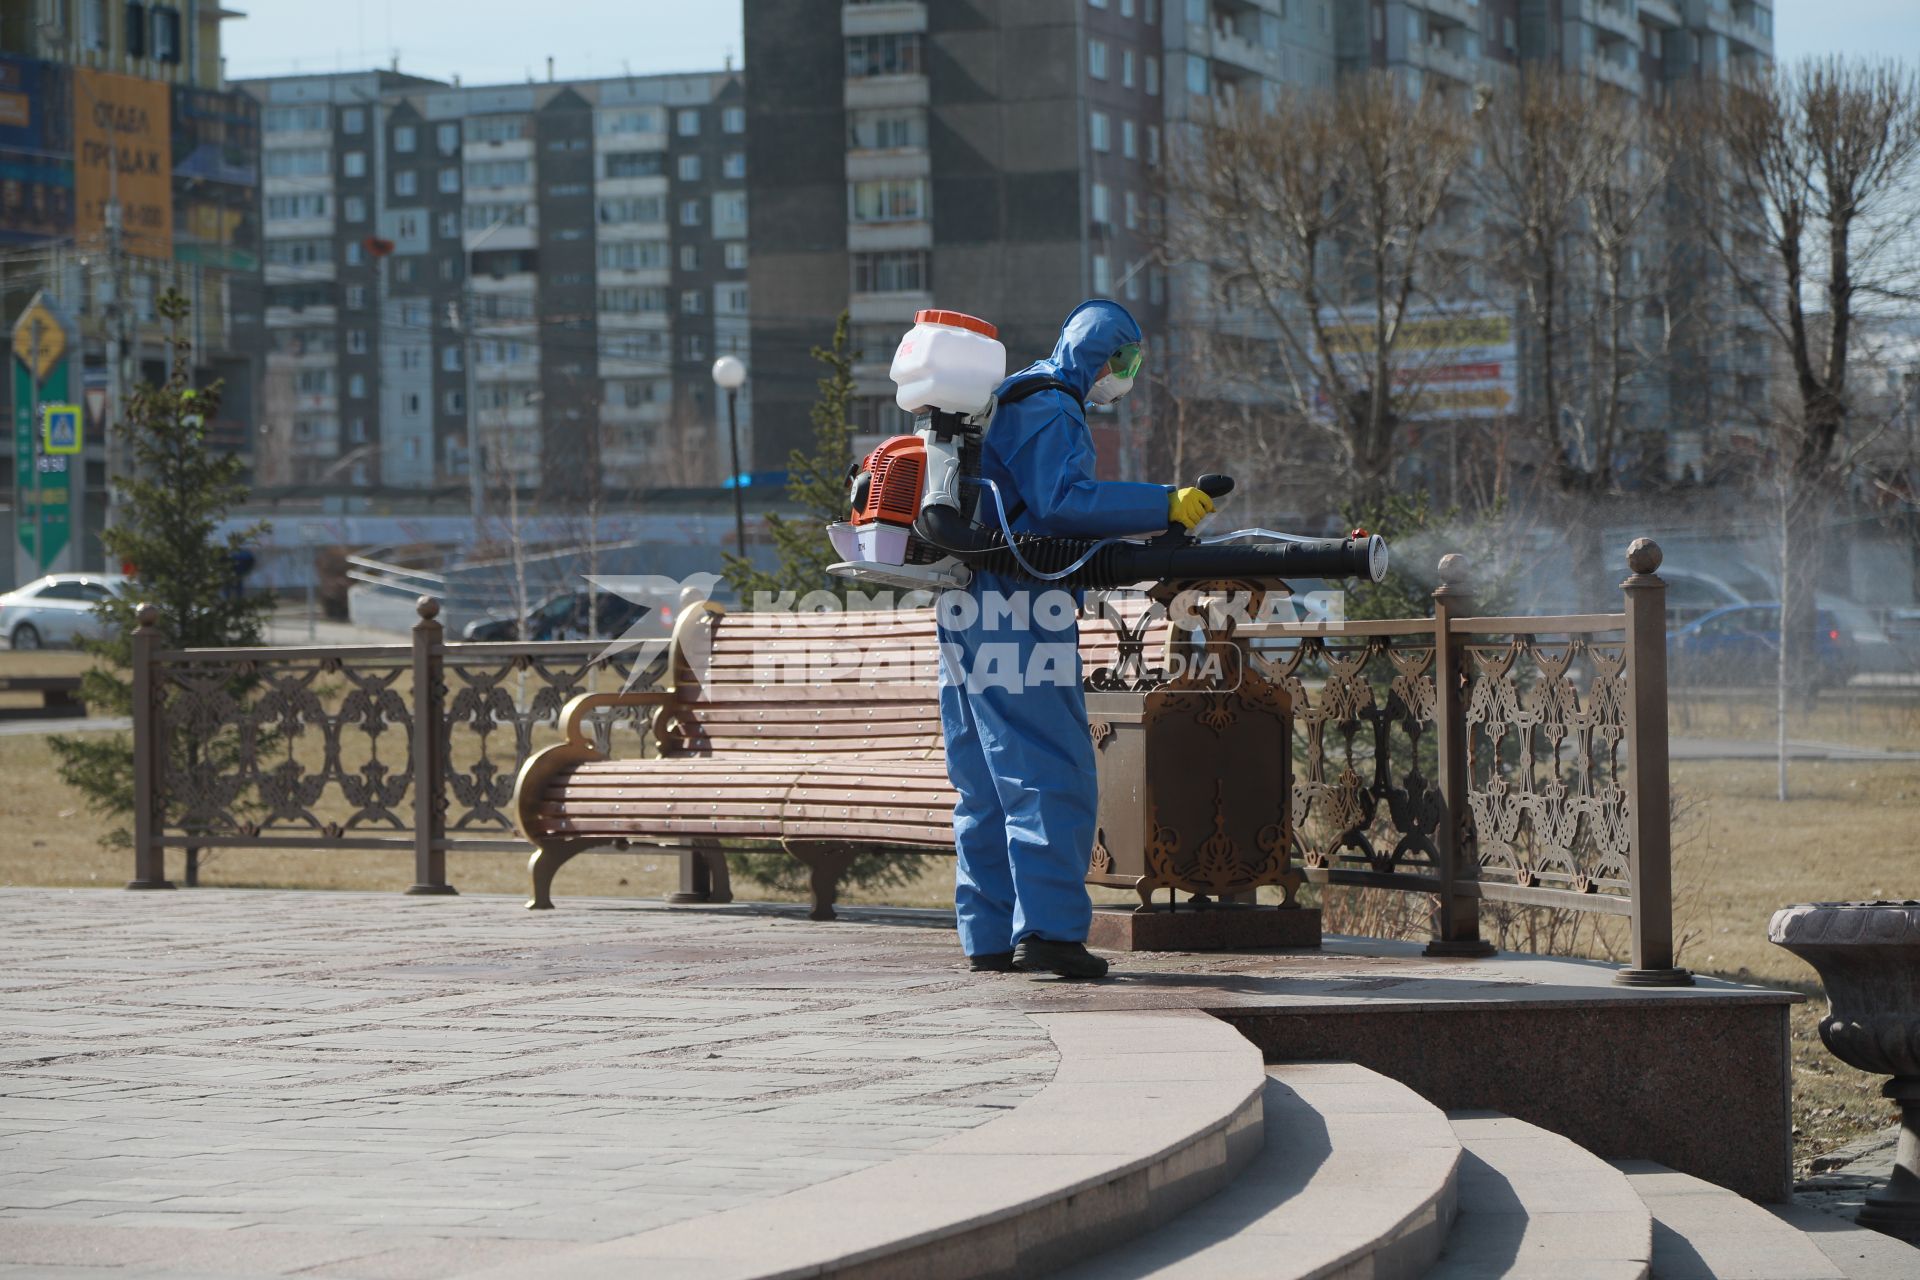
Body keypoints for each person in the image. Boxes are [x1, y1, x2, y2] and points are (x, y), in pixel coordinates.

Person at [938, 300, 1216, 979]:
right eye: (1126, 362)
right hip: (1018, 607)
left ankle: (989, 934)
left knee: (983, 781)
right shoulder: (1053, 405)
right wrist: (1165, 504)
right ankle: (1051, 932)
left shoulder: (1007, 396)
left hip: (963, 606)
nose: (1124, 375)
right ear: (1107, 356)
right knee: (1049, 770)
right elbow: (1064, 502)